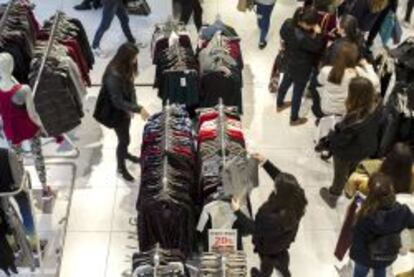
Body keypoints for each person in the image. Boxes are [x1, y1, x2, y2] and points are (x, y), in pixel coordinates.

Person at [231, 153, 308, 277]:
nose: (274, 187)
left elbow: (255, 228)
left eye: (275, 187)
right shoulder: (298, 197)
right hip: (285, 241)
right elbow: (282, 180)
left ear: (279, 192)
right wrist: (266, 163)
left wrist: (237, 211)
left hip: (268, 246)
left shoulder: (271, 216)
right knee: (283, 260)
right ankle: (284, 272)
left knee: (266, 265)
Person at [319, 76, 383, 208]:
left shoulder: (353, 120)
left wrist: (330, 138)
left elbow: (340, 141)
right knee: (353, 168)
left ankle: (333, 196)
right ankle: (350, 186)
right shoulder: (377, 105)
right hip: (366, 147)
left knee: (339, 175)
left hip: (346, 152)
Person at [93, 43, 149, 182]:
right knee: (124, 140)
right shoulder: (114, 74)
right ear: (126, 57)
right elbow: (117, 101)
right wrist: (138, 108)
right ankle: (121, 167)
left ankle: (125, 154)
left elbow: (131, 87)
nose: (136, 60)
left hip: (124, 110)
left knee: (125, 137)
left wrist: (133, 106)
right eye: (134, 57)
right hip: (115, 112)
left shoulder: (125, 67)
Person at [350, 173, 414, 277]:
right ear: (391, 190)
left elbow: (356, 239)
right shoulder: (403, 211)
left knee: (359, 274)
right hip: (387, 254)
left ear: (370, 191)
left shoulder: (365, 215)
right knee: (380, 271)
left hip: (363, 257)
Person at [277, 6, 325, 126]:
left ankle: (279, 104)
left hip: (288, 61)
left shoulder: (288, 23)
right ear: (304, 22)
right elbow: (317, 48)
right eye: (311, 25)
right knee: (297, 93)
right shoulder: (305, 38)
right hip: (302, 68)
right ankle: (294, 119)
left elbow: (282, 34)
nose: (312, 27)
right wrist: (318, 34)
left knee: (285, 83)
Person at [318, 42, 379, 116]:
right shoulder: (357, 72)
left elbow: (320, 81)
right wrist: (367, 65)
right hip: (344, 110)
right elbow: (375, 81)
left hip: (326, 108)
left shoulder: (326, 70)